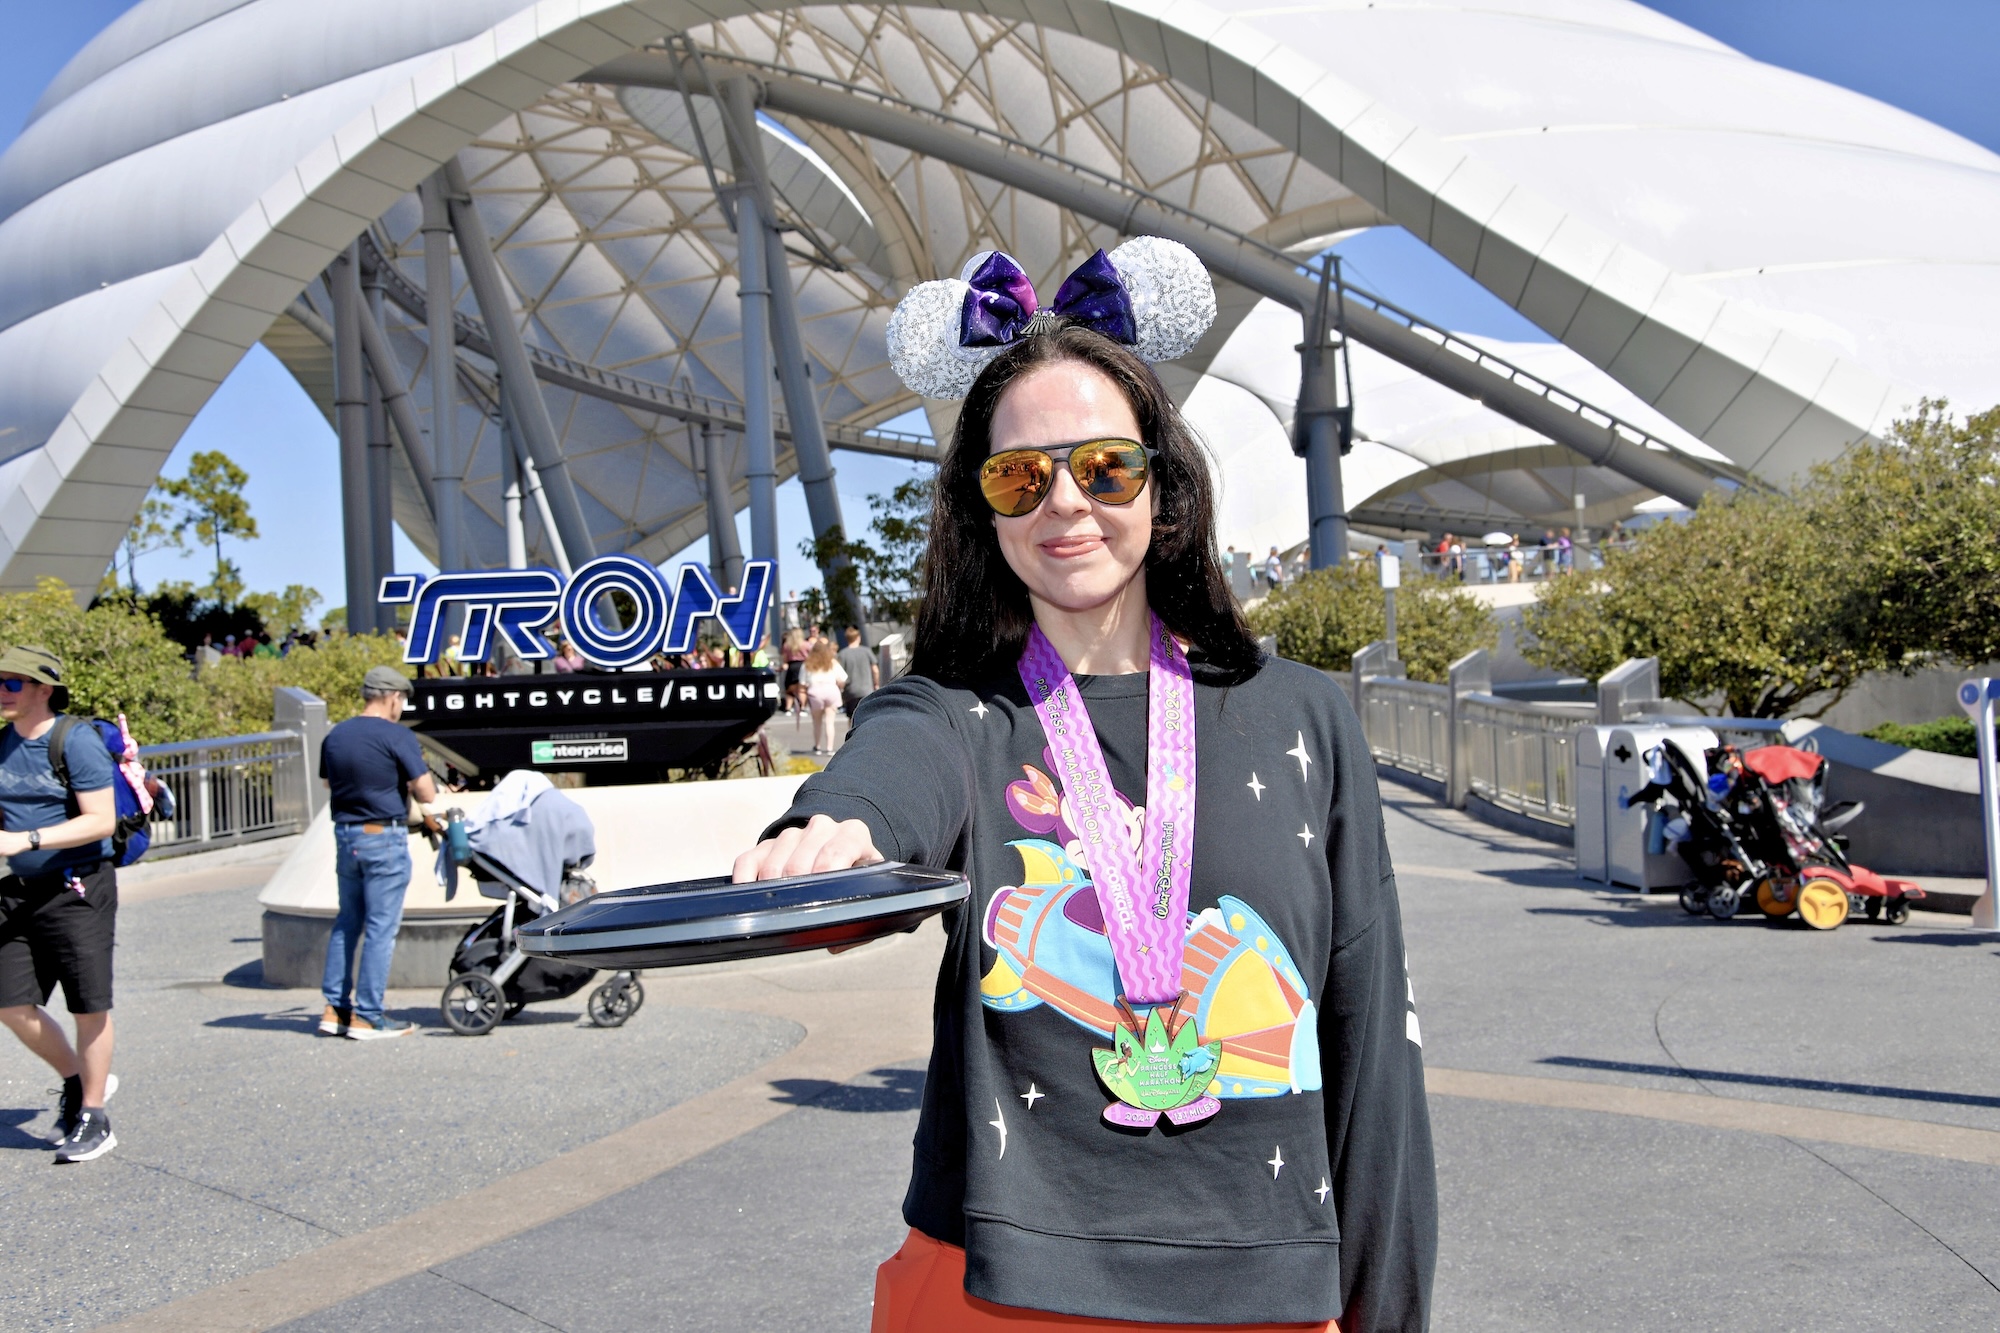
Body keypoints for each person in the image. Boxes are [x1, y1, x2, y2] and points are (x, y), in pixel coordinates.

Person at [733, 246, 1435, 1331]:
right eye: (1020, 475)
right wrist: (837, 824)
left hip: (1264, 1288)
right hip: (998, 1291)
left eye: (1104, 466)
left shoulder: (1301, 716)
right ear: (984, 511)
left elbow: (1370, 1056)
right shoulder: (955, 713)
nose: (1064, 502)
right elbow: (884, 774)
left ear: (1165, 486)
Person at [0, 646, 123, 1163]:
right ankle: (77, 1081)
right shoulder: (2, 744)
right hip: (17, 892)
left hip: (77, 887)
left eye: (10, 683)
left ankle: (94, 1117)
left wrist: (24, 841)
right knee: (9, 1003)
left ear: (42, 689)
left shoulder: (74, 741)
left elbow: (101, 820)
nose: (1, 691)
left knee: (87, 1004)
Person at [317, 666, 438, 1040]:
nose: (401, 706)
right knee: (381, 929)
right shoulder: (396, 735)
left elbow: (327, 781)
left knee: (347, 922)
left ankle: (335, 1009)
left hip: (346, 835)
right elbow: (427, 792)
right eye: (402, 699)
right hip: (383, 836)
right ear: (391, 697)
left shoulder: (335, 735)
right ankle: (368, 1016)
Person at [799, 637, 846, 756]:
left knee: (817, 722)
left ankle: (818, 746)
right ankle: (830, 748)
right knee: (830, 722)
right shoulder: (831, 662)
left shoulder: (807, 664)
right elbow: (842, 678)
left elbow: (802, 683)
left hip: (815, 692)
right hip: (831, 690)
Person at [836, 626, 879, 717]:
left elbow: (839, 676)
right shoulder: (867, 651)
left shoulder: (842, 654)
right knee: (867, 717)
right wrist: (876, 683)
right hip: (867, 690)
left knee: (852, 719)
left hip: (850, 691)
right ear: (858, 637)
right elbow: (875, 670)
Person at [780, 628, 810, 716]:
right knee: (802, 688)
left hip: (792, 666)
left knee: (790, 688)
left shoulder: (787, 646)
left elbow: (785, 659)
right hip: (804, 665)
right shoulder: (807, 645)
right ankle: (803, 708)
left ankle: (788, 708)